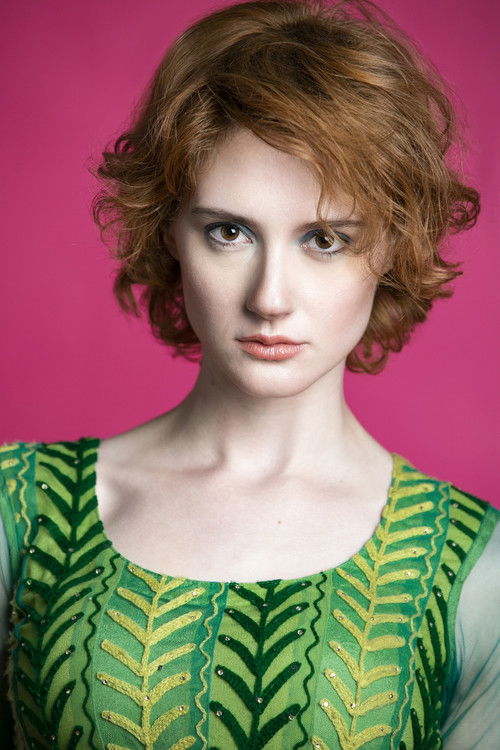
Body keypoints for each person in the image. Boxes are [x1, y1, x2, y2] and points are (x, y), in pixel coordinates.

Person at [1, 0, 498, 747]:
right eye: (229, 232)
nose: (269, 298)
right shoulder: (21, 508)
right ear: (172, 233)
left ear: (393, 247)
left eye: (324, 239)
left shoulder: (472, 566)